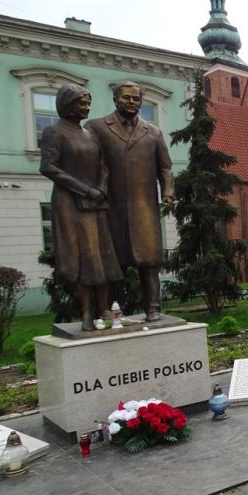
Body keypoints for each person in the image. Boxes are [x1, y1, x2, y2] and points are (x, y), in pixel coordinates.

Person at [85, 81, 174, 322]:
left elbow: (165, 168)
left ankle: (152, 308)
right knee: (114, 265)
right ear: (115, 99)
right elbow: (88, 163)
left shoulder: (153, 132)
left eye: (136, 99)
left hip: (145, 208)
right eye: (127, 98)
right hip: (111, 208)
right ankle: (111, 311)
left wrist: (167, 192)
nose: (132, 102)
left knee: (149, 263)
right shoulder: (96, 128)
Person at [40, 85, 123, 331]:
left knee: (103, 256)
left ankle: (105, 308)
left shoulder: (89, 135)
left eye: (88, 102)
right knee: (84, 258)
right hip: (71, 204)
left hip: (96, 203)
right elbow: (49, 167)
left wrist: (101, 188)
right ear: (67, 104)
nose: (87, 107)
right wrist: (86, 190)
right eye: (81, 102)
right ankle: (86, 312)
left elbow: (103, 166)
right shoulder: (54, 132)